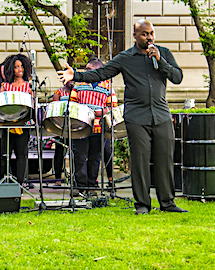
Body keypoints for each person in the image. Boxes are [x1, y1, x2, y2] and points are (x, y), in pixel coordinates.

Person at [59, 19, 187, 214]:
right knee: (140, 160)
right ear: (135, 36)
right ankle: (143, 204)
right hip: (137, 116)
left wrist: (161, 61)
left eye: (151, 33)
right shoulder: (125, 58)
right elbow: (100, 74)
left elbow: (177, 77)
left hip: (161, 114)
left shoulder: (164, 54)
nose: (149, 37)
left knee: (164, 160)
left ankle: (167, 203)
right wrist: (75, 75)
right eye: (144, 34)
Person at [70, 58, 112, 192]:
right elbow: (72, 102)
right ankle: (80, 186)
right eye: (86, 69)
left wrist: (101, 111)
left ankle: (91, 184)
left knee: (95, 156)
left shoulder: (107, 85)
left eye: (90, 69)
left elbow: (112, 106)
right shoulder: (79, 83)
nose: (86, 71)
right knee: (80, 156)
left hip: (99, 127)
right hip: (81, 126)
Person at [0, 53, 33, 187]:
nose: (20, 69)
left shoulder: (29, 86)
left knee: (21, 155)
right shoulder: (5, 86)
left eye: (22, 66)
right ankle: (4, 181)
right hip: (7, 123)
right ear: (11, 69)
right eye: (16, 67)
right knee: (4, 154)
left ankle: (20, 183)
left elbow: (31, 105)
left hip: (22, 124)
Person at [50, 80, 73, 183]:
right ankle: (58, 179)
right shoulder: (58, 93)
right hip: (62, 126)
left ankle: (74, 178)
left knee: (74, 153)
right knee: (59, 153)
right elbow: (55, 109)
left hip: (74, 126)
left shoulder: (77, 92)